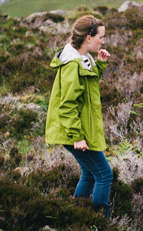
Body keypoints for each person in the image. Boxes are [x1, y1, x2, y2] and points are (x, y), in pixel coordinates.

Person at [45, 15, 112, 218]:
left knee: (90, 173)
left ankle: (77, 215)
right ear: (88, 37)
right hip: (75, 131)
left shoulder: (82, 59)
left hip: (79, 128)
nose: (103, 41)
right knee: (104, 174)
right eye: (101, 37)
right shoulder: (73, 65)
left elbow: (86, 86)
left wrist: (99, 65)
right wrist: (77, 136)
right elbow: (67, 105)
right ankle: (99, 222)